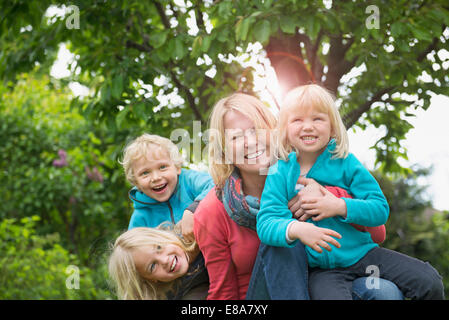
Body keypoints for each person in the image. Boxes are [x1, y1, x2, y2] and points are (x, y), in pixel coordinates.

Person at [194, 92, 402, 300]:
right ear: (224, 150)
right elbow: (224, 292)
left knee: (385, 293)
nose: (250, 142)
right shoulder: (213, 210)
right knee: (279, 235)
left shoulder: (306, 170)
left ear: (276, 131)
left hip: (325, 279)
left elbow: (377, 234)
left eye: (256, 130)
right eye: (236, 137)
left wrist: (327, 198)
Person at [257, 84, 444, 299]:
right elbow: (266, 222)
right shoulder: (280, 172)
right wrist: (297, 229)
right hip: (322, 271)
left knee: (428, 280)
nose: (308, 126)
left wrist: (339, 206)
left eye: (317, 119)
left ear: (333, 127)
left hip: (365, 256)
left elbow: (379, 209)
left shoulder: (346, 163)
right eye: (297, 120)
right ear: (285, 130)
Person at [120, 133, 214, 241]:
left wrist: (193, 209)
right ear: (136, 183)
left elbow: (216, 184)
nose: (155, 177)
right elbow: (134, 250)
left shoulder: (189, 181)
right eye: (145, 173)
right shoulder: (141, 218)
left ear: (177, 167)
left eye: (162, 167)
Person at [108, 225, 208, 300]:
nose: (164, 261)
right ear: (150, 280)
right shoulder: (174, 295)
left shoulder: (196, 229)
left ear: (164, 237)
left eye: (159, 247)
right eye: (152, 266)